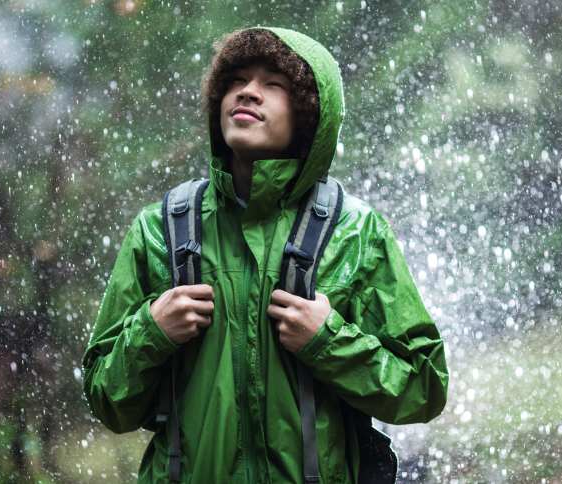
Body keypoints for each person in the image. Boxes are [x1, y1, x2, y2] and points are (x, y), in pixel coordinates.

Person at [82, 26, 449, 483]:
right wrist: (152, 332)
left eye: (273, 84)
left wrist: (328, 341)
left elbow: (424, 388)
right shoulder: (160, 230)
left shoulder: (355, 233)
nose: (248, 93)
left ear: (309, 115)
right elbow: (105, 400)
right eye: (235, 81)